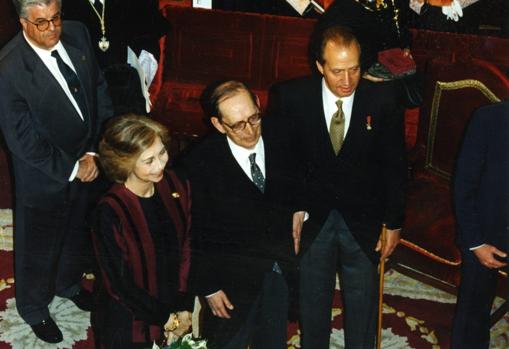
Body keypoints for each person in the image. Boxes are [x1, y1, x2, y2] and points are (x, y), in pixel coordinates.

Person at [268, 26, 407, 349]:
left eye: (355, 69)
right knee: (312, 301)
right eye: (337, 71)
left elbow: (395, 166)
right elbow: (281, 164)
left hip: (364, 220)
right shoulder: (291, 97)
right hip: (313, 218)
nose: (347, 81)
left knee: (362, 303)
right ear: (319, 66)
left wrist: (395, 222)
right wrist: (292, 209)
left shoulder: (383, 100)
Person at [0, 0, 113, 343]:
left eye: (55, 18)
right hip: (45, 175)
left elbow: (98, 90)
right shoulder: (8, 70)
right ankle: (34, 308)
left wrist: (95, 151)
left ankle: (68, 283)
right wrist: (71, 168)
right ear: (23, 23)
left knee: (79, 230)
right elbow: (22, 141)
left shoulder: (78, 33)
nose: (51, 29)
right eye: (41, 23)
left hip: (89, 160)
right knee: (38, 245)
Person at [179, 80, 306, 349]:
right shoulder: (198, 164)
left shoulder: (282, 134)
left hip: (278, 266)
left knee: (273, 341)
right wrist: (209, 287)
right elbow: (194, 233)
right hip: (231, 280)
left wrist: (299, 208)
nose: (250, 131)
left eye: (253, 118)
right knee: (228, 341)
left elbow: (305, 175)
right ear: (217, 124)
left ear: (259, 106)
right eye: (238, 125)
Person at [93, 114, 193, 348]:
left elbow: (188, 246)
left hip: (171, 302)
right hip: (128, 320)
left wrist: (184, 304)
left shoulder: (176, 184)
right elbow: (118, 284)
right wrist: (168, 320)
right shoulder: (110, 211)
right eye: (148, 161)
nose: (160, 165)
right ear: (124, 163)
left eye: (162, 153)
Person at [451, 101, 509, 349]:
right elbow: (464, 186)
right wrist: (476, 243)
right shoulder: (488, 119)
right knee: (472, 316)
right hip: (487, 235)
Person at [62, 0, 169, 116]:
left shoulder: (139, 4)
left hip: (127, 91)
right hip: (84, 94)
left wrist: (137, 81)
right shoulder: (61, 6)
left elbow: (148, 47)